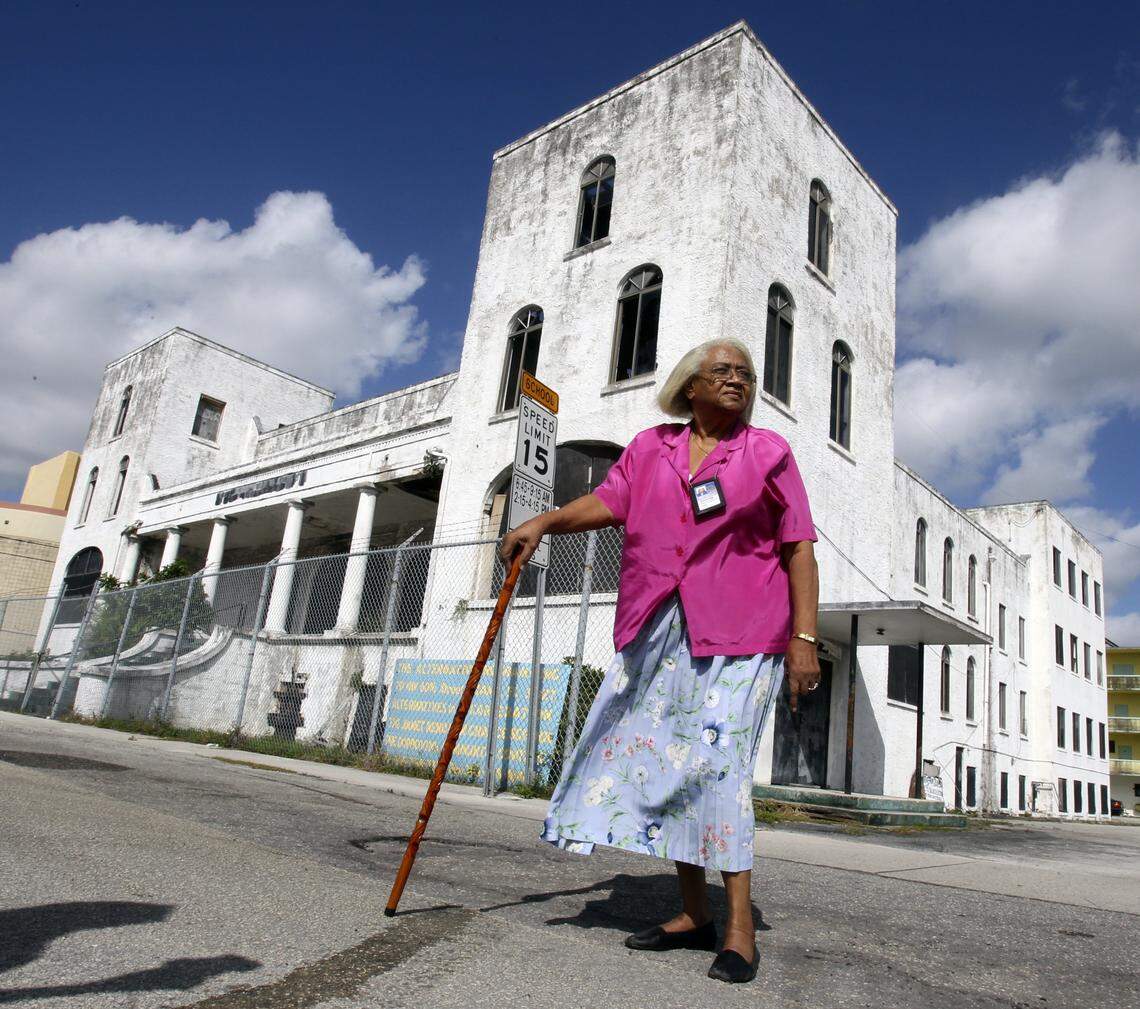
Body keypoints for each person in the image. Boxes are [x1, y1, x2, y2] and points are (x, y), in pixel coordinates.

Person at [499, 338, 821, 984]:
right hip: (658, 624)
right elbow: (608, 504)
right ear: (690, 386)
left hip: (743, 632)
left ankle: (739, 928)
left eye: (746, 374)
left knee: (720, 766)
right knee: (666, 762)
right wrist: (544, 520)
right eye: (723, 371)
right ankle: (694, 911)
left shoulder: (767, 454)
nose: (737, 380)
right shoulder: (652, 447)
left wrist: (805, 638)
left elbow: (799, 548)